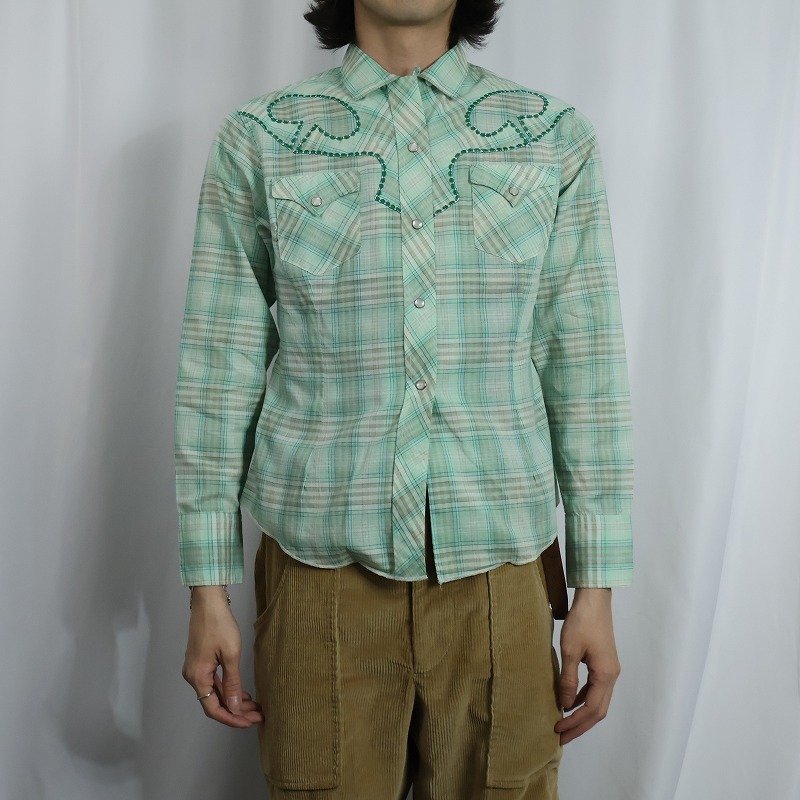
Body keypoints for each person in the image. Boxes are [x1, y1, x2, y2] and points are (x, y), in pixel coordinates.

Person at [175, 0, 634, 797]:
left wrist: (596, 589)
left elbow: (585, 364)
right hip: (319, 577)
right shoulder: (262, 138)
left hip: (501, 573)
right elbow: (219, 368)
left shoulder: (551, 137)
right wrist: (206, 588)